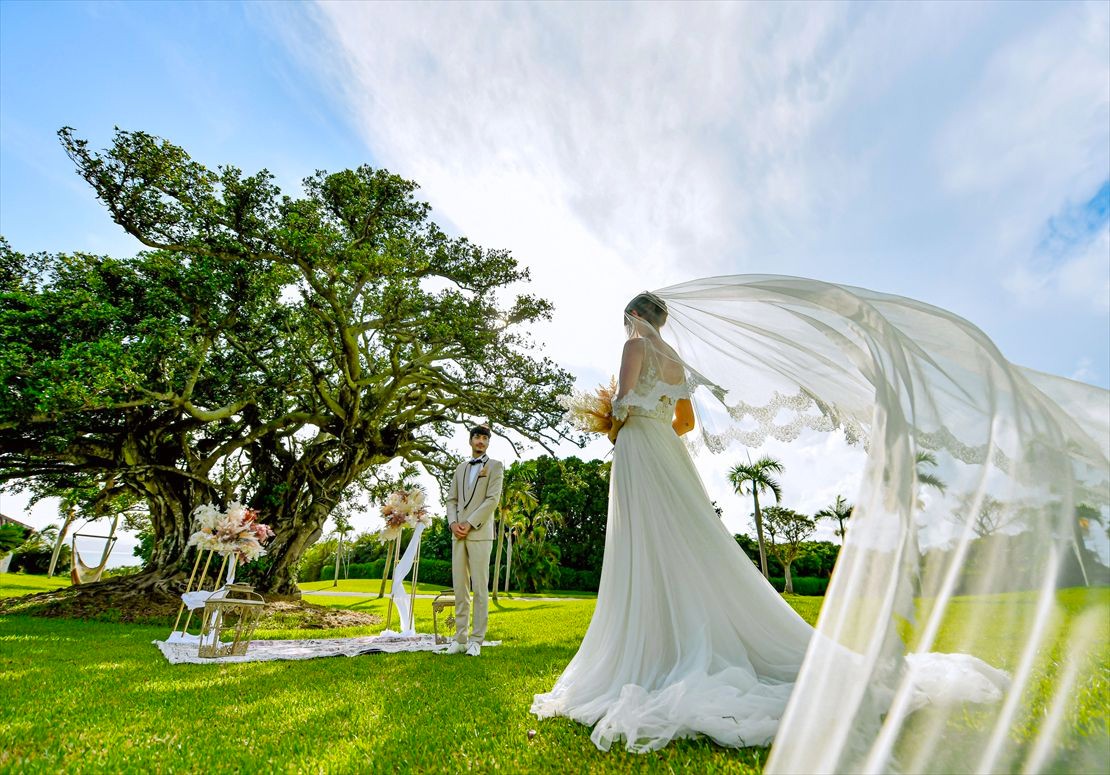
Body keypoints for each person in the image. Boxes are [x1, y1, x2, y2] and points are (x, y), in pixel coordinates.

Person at [531, 290, 1014, 759]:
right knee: (689, 540)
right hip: (668, 451)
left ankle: (659, 643)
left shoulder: (633, 346)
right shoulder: (675, 359)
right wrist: (652, 419)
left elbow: (622, 400)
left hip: (639, 448)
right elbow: (687, 425)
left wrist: (611, 423)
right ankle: (683, 636)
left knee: (645, 542)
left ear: (634, 317)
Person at [442, 424, 504, 656]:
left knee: (479, 587)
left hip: (479, 534)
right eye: (477, 437)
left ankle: (477, 640)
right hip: (457, 535)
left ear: (488, 443)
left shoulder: (495, 466)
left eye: (484, 438)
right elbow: (452, 500)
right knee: (460, 588)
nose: (480, 441)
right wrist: (452, 524)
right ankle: (460, 639)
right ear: (470, 441)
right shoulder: (459, 468)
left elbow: (492, 500)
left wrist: (469, 523)